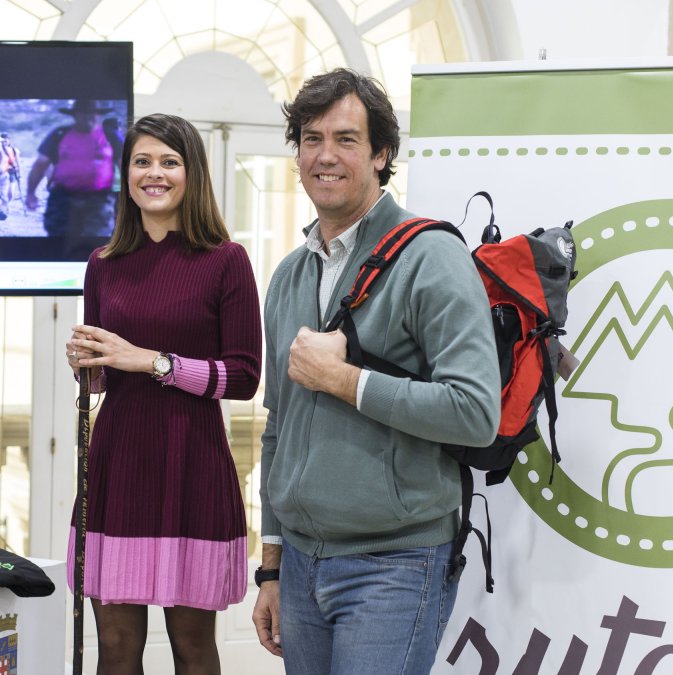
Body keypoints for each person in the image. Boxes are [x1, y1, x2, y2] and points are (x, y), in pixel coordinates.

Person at [251, 68, 501, 674]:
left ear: (382, 153)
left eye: (346, 139)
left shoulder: (431, 257)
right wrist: (273, 563)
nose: (325, 156)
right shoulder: (289, 275)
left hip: (396, 564)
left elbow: (474, 413)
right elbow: (279, 426)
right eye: (312, 139)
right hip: (303, 565)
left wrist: (344, 380)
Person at [65, 113, 261, 675]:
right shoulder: (103, 265)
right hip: (119, 467)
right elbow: (105, 375)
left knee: (193, 648)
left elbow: (244, 378)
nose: (155, 174)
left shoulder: (226, 260)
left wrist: (151, 361)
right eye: (142, 161)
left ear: (191, 173)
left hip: (191, 468)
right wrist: (87, 366)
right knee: (117, 647)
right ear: (126, 174)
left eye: (169, 162)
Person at [24, 99, 122, 237]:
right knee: (59, 242)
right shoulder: (59, 134)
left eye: (93, 113)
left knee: (95, 245)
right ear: (75, 115)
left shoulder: (111, 136)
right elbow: (40, 164)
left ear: (99, 115)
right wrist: (30, 193)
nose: (89, 117)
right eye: (84, 113)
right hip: (63, 200)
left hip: (99, 201)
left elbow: (125, 165)